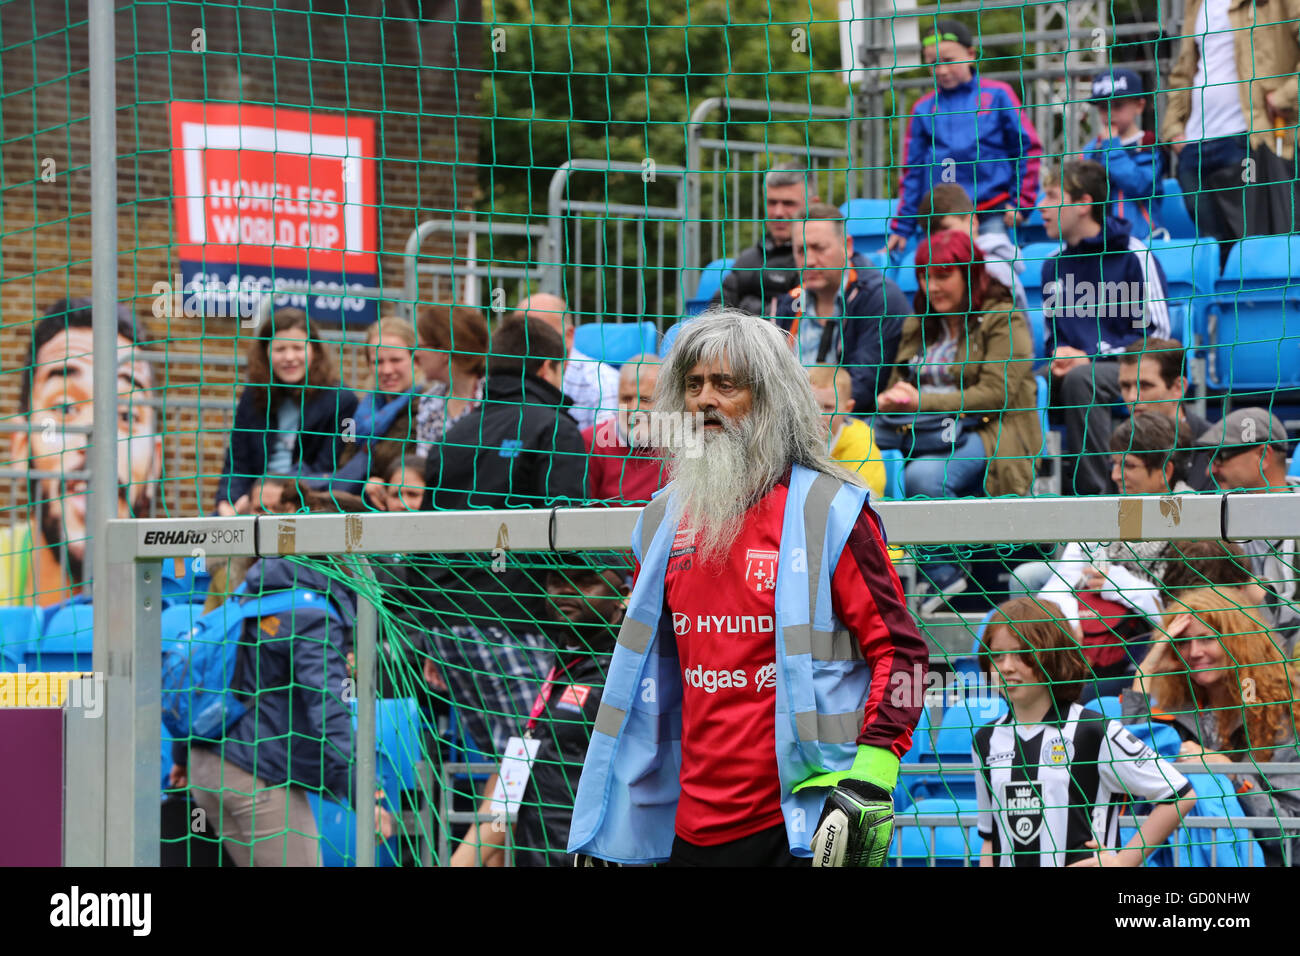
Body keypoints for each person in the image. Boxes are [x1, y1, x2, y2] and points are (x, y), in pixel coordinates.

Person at [567, 309, 929, 867]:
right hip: (686, 830)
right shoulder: (660, 521)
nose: (704, 400)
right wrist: (614, 827)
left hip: (804, 825)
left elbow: (904, 653)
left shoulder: (830, 510)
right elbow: (641, 677)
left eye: (725, 384)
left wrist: (874, 774)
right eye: (692, 385)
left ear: (768, 398)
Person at [412, 316, 587, 756]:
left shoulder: (455, 434)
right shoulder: (554, 428)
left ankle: (484, 829)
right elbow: (567, 537)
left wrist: (429, 634)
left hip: (444, 625)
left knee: (514, 763)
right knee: (539, 759)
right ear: (547, 368)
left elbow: (425, 539)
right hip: (510, 621)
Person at [177, 489, 360, 866]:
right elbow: (327, 704)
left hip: (207, 764)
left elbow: (211, 671)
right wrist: (360, 790)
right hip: (255, 773)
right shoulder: (311, 613)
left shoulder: (253, 589)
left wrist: (182, 752)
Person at [877, 229, 1040, 611]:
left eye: (943, 275)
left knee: (922, 478)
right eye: (924, 276)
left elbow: (996, 394)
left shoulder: (1003, 317)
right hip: (922, 433)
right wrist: (893, 395)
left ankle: (946, 577)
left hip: (988, 428)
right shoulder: (920, 323)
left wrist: (921, 400)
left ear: (970, 273)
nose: (932, 286)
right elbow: (901, 379)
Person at [974, 597, 1196, 867]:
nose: (1006, 666)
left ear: (1052, 655)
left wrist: (1123, 861)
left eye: (1021, 653)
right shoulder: (985, 740)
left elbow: (1179, 794)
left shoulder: (1093, 730)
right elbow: (990, 837)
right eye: (997, 655)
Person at [451, 557, 630, 866]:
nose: (565, 590)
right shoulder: (560, 665)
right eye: (555, 580)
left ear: (622, 595)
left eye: (584, 580)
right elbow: (519, 772)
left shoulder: (628, 674)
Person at [1, 298, 162, 607]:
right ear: (21, 444)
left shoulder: (180, 586)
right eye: (66, 407)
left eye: (126, 415)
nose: (97, 438)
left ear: (156, 461)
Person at [1123, 588, 1300, 865]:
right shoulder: (1175, 709)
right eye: (1183, 642)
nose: (1194, 652)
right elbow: (1132, 774)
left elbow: (1292, 836)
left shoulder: (1279, 713)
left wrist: (1232, 776)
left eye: (1207, 638)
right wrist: (1147, 671)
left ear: (1237, 642)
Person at [1028, 414, 1193, 688]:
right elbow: (1057, 586)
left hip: (1157, 653)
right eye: (1114, 464)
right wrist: (1071, 622)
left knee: (1079, 693)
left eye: (1128, 466)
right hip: (1096, 641)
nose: (1115, 475)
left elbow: (1179, 618)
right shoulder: (1114, 508)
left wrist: (1120, 584)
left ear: (1166, 471)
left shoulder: (1193, 523)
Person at [1039, 159, 1171, 496]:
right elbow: (1052, 338)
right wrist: (1060, 355)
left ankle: (1096, 501)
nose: (1041, 207)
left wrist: (1091, 356)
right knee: (1019, 382)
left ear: (1083, 203)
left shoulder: (1134, 255)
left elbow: (1158, 337)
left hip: (1130, 369)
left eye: (1052, 196)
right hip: (1074, 370)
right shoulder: (1052, 265)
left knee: (1084, 379)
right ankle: (1019, 496)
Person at [887, 19, 1043, 252]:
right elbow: (913, 170)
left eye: (948, 61)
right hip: (940, 219)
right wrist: (902, 226)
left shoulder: (998, 95)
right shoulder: (923, 108)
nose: (941, 70)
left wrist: (1021, 202)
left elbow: (1027, 148)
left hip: (991, 213)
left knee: (993, 278)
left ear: (970, 54)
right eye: (933, 63)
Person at [1161, 0, 1300, 259]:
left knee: (1256, 253)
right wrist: (1173, 129)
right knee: (1216, 257)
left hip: (1250, 140)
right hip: (1194, 147)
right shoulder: (1195, 4)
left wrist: (1285, 97)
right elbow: (1183, 70)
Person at [215, 308, 358, 516]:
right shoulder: (252, 396)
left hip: (308, 503)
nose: (289, 357)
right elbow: (237, 462)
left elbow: (329, 468)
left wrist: (268, 494)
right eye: (280, 349)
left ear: (314, 350)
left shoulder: (343, 401)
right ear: (266, 353)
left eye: (298, 348)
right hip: (252, 502)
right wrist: (226, 503)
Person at [773, 202, 911, 414]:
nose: (809, 261)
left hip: (854, 423)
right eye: (801, 251)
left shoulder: (880, 298)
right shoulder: (790, 303)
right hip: (792, 421)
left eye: (819, 248)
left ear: (847, 246)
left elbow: (863, 389)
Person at [1196, 407, 1300, 630]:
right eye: (1209, 458)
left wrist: (1254, 595)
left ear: (1263, 456)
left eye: (1221, 456)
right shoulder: (1214, 520)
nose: (1209, 470)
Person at [332, 317, 425, 503]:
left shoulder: (426, 408)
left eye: (396, 360)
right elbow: (344, 464)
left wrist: (385, 484)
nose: (387, 370)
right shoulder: (360, 412)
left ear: (415, 360)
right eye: (378, 362)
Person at [713, 162, 816, 315]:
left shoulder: (819, 261)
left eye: (788, 203)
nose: (778, 212)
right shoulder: (747, 260)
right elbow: (715, 315)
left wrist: (746, 307)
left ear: (813, 205)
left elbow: (798, 315)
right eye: (772, 202)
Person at [512, 293, 619, 431]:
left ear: (569, 336)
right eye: (519, 334)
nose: (526, 342)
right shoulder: (501, 378)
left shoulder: (604, 384)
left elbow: (603, 449)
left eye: (539, 333)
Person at [1116, 338, 1212, 490]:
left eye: (1145, 385)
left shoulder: (1213, 446)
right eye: (1125, 386)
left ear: (1178, 388)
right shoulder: (1118, 444)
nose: (1132, 397)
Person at [918, 183, 1027, 310]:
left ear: (972, 222)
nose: (939, 240)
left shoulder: (993, 269)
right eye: (931, 234)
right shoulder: (931, 272)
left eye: (946, 229)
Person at [1082, 69, 1160, 239]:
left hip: (1141, 240)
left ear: (1139, 106)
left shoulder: (1147, 143)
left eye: (1117, 105)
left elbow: (1139, 185)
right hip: (1098, 240)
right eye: (1103, 107)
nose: (1109, 113)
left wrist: (1111, 147)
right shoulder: (1090, 149)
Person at [583, 353, 668, 503]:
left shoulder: (684, 445)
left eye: (646, 399)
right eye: (626, 398)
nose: (634, 409)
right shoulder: (592, 442)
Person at [414, 303, 488, 457]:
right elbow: (424, 464)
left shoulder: (494, 398)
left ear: (444, 351)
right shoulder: (429, 401)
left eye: (421, 346)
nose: (416, 354)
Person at [808, 364, 886, 498]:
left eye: (828, 407)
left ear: (848, 408)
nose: (818, 415)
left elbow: (868, 495)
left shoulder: (861, 444)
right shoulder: (797, 438)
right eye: (811, 405)